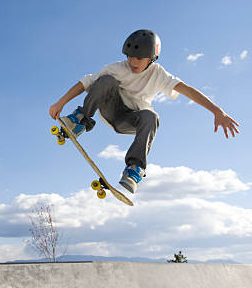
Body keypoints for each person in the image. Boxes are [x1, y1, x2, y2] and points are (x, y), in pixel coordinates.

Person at [49, 29, 240, 194]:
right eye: (129, 56)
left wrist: (217, 111)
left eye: (139, 58)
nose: (132, 61)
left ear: (152, 58)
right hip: (111, 110)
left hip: (132, 120)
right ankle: (80, 121)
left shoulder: (159, 74)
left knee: (152, 116)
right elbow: (86, 82)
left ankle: (134, 169)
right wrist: (61, 102)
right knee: (106, 80)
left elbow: (187, 90)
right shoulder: (116, 68)